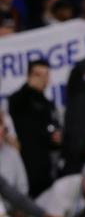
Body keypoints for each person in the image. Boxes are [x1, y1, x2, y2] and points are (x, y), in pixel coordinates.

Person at [8, 59, 61, 198]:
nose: (43, 79)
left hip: (46, 167)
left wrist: (57, 139)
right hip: (25, 165)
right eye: (38, 74)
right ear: (29, 76)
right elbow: (15, 104)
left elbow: (53, 130)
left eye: (46, 75)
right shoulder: (18, 100)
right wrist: (28, 86)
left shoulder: (49, 105)